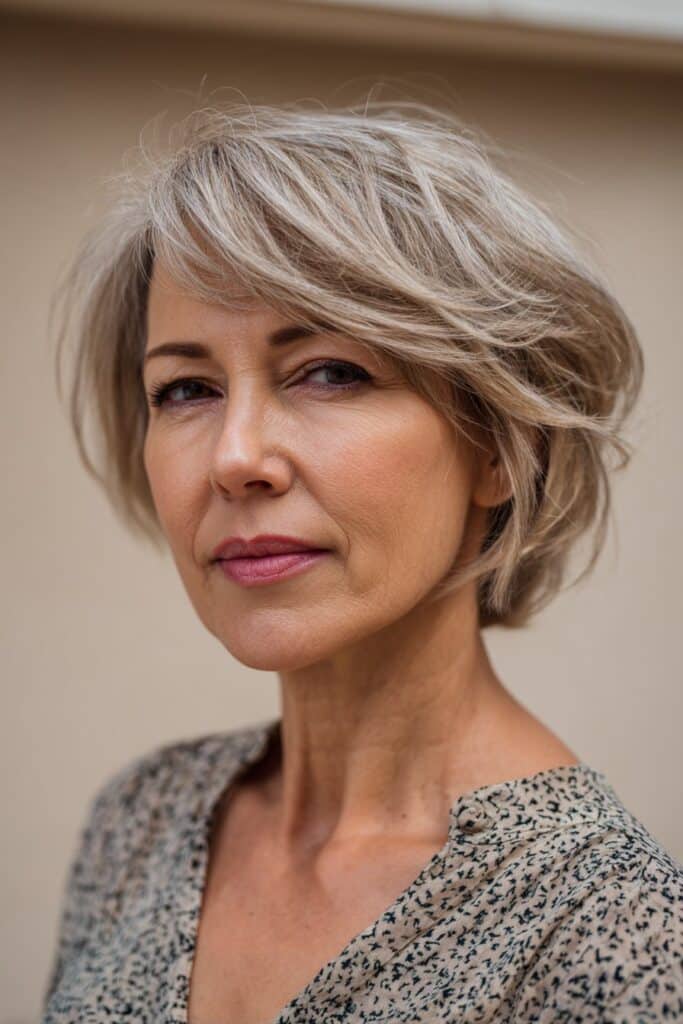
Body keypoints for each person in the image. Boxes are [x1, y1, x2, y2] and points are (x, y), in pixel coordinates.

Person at [43, 98, 682, 1023]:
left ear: (502, 444)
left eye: (331, 371)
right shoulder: (139, 822)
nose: (234, 457)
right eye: (186, 389)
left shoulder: (618, 933)